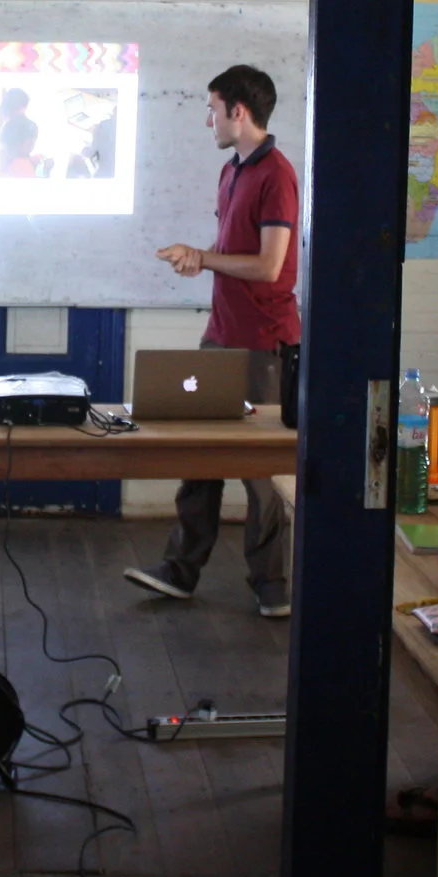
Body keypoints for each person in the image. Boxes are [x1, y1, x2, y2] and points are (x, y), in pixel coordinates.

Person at [135, 63, 298, 618]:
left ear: (240, 111)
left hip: (263, 341)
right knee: (199, 455)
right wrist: (198, 260)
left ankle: (271, 584)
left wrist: (206, 258)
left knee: (260, 471)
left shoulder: (277, 173)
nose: (208, 120)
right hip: (221, 335)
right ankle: (181, 572)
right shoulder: (232, 172)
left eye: (213, 109)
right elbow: (234, 253)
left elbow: (272, 267)